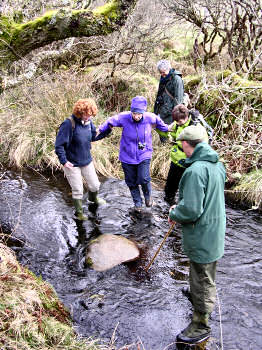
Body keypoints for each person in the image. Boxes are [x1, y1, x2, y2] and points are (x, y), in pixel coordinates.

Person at [168, 125, 226, 345]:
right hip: (214, 230)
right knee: (204, 273)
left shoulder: (194, 171)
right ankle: (198, 296)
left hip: (202, 234)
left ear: (185, 144)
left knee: (202, 277)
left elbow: (192, 210)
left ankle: (200, 325)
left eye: (180, 143)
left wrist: (175, 211)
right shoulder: (216, 164)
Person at [98, 96, 169, 212]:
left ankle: (148, 198)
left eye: (139, 114)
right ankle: (138, 204)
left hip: (144, 153)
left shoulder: (149, 117)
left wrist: (168, 128)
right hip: (127, 155)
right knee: (131, 181)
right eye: (134, 113)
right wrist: (100, 129)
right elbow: (110, 121)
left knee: (144, 178)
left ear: (143, 112)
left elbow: (159, 122)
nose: (136, 116)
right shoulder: (123, 117)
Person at [55, 98, 108, 221]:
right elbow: (59, 145)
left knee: (95, 185)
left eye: (90, 115)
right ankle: (79, 212)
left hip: (86, 160)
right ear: (79, 112)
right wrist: (64, 161)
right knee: (78, 189)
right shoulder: (69, 124)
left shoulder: (89, 122)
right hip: (71, 163)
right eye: (86, 115)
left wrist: (107, 131)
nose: (88, 117)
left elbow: (92, 137)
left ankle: (93, 199)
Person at [159, 104, 213, 205]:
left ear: (186, 117)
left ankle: (183, 208)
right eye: (176, 121)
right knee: (170, 187)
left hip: (189, 162)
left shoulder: (197, 127)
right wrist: (161, 130)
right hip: (176, 159)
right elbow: (171, 134)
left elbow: (203, 146)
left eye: (179, 121)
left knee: (187, 188)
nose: (177, 124)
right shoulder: (177, 124)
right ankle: (169, 205)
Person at [153, 59, 184, 126]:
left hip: (170, 114)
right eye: (160, 72)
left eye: (163, 72)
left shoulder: (177, 79)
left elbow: (178, 99)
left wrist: (176, 116)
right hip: (162, 111)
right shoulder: (163, 78)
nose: (162, 74)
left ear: (169, 69)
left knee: (168, 134)